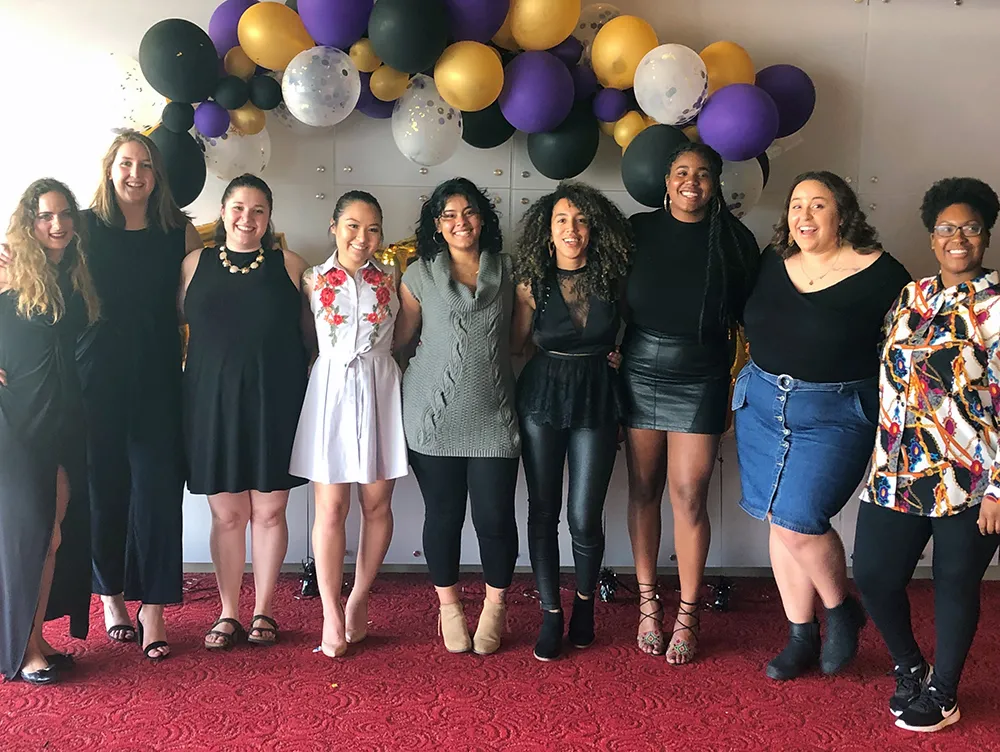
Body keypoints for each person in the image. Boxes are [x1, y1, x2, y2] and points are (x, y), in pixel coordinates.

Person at [733, 171, 911, 681]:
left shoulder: (883, 275)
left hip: (836, 414)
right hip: (762, 405)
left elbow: (906, 354)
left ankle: (840, 609)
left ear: (843, 213)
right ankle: (800, 635)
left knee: (799, 517)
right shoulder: (771, 263)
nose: (803, 216)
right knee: (777, 519)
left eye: (817, 205)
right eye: (795, 206)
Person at [853, 177, 1000, 733]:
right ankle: (911, 667)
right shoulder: (911, 297)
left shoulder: (996, 307)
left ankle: (943, 692)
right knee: (872, 574)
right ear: (931, 236)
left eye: (970, 227)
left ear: (985, 235)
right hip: (897, 468)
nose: (957, 237)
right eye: (946, 228)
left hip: (972, 479)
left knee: (954, 583)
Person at [622, 142, 760, 664]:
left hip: (703, 373)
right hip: (638, 368)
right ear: (666, 180)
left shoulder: (735, 241)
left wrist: (737, 384)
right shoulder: (636, 231)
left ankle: (687, 612)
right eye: (682, 171)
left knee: (689, 495)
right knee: (642, 489)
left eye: (703, 174)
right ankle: (647, 605)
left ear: (716, 183)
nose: (692, 182)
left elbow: (751, 317)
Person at [180, 174, 309, 651]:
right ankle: (229, 611)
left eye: (258, 210)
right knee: (228, 514)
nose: (247, 218)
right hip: (211, 400)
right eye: (238, 207)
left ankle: (265, 610)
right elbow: (174, 325)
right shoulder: (193, 263)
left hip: (275, 398)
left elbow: (313, 335)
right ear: (223, 210)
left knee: (271, 510)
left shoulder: (290, 264)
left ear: (269, 216)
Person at [394, 177, 520, 655]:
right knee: (443, 518)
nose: (460, 222)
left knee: (493, 519)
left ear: (482, 218)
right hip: (431, 417)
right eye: (448, 215)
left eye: (468, 212)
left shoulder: (510, 271)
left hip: (495, 418)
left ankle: (494, 606)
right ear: (437, 225)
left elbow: (519, 340)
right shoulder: (419, 275)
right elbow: (402, 343)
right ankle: (449, 607)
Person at [510, 182, 632, 661]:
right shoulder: (531, 282)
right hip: (543, 392)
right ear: (548, 231)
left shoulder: (613, 277)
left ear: (593, 229)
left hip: (597, 394)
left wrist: (620, 356)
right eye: (562, 220)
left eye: (580, 220)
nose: (571, 229)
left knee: (584, 515)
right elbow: (519, 345)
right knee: (543, 510)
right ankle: (549, 613)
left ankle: (584, 605)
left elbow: (633, 330)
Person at [289, 191, 407, 658]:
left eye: (373, 228)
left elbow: (405, 335)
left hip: (379, 385)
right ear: (334, 227)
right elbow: (304, 335)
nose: (363, 237)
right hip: (332, 387)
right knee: (331, 506)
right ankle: (330, 612)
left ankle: (358, 599)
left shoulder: (394, 279)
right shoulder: (312, 279)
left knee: (377, 503)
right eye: (353, 226)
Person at [0, 179, 99, 683]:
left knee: (53, 535)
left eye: (64, 215)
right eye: (45, 216)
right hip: (17, 418)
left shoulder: (70, 272)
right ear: (29, 220)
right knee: (28, 535)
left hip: (62, 414)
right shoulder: (8, 267)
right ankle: (19, 649)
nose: (57, 224)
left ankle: (33, 637)